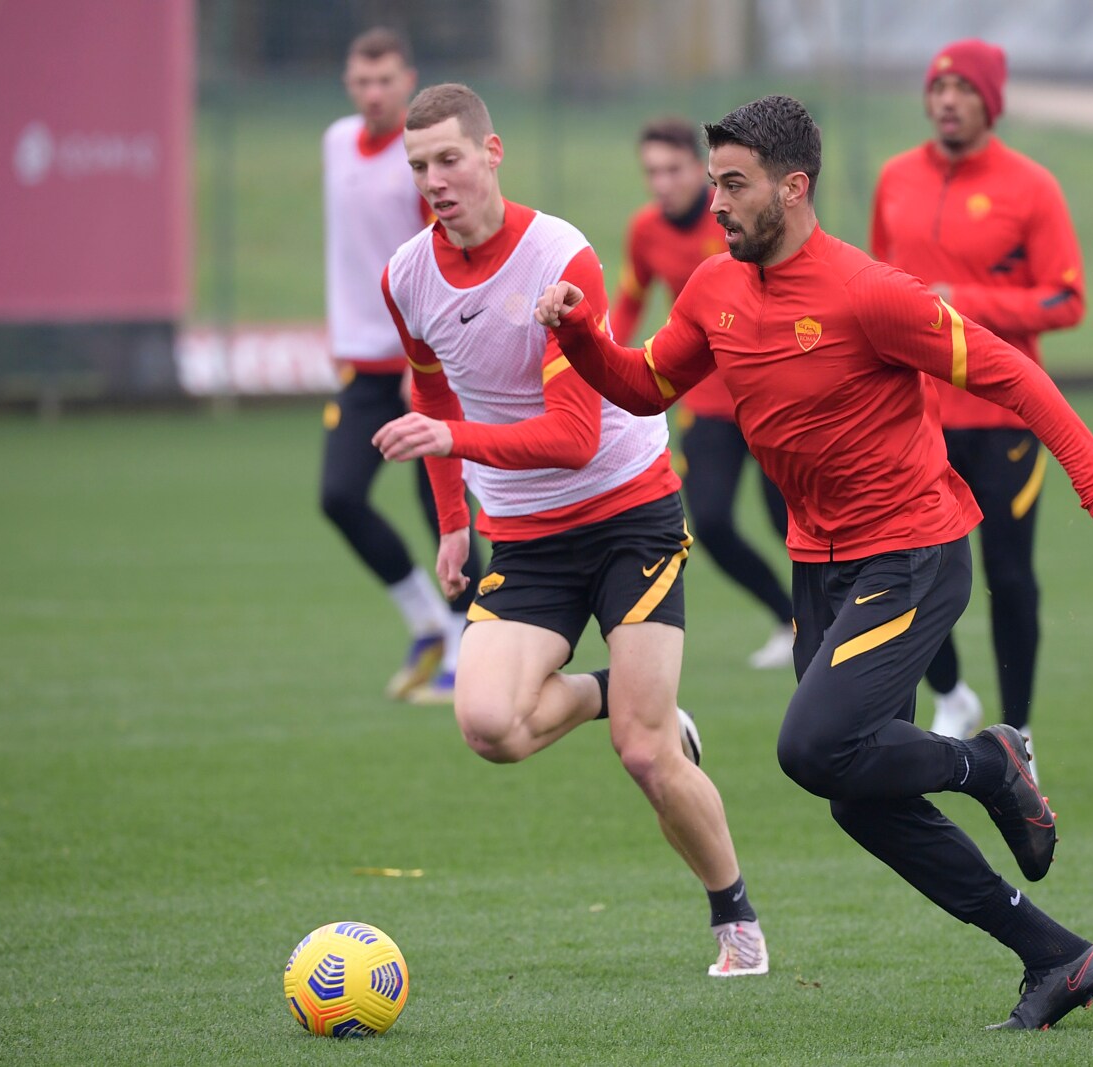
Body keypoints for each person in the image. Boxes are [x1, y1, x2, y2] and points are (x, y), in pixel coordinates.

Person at [537, 95, 1093, 1029]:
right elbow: (644, 384)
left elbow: (1013, 374)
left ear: (794, 188)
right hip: (819, 562)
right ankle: (1057, 956)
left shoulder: (869, 292)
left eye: (735, 185)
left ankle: (990, 762)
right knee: (857, 795)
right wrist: (582, 332)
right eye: (714, 183)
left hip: (912, 550)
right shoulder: (713, 289)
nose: (716, 203)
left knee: (811, 747)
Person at [371, 83, 768, 977]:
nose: (435, 180)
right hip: (526, 533)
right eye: (419, 166)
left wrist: (452, 441)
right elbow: (431, 388)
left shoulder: (559, 256)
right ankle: (609, 689)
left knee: (646, 752)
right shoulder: (406, 275)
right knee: (489, 727)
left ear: (492, 152)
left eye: (449, 159)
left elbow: (572, 437)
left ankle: (735, 918)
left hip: (629, 511)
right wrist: (452, 522)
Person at [871, 40, 1086, 778]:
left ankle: (1017, 731)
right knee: (916, 572)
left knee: (1008, 575)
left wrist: (965, 302)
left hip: (1002, 422)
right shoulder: (895, 178)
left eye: (964, 89)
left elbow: (1066, 300)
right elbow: (874, 288)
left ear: (990, 101)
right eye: (938, 88)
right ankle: (953, 694)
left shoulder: (1032, 187)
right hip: (916, 418)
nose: (947, 101)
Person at [317, 28, 480, 704]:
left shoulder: (421, 163)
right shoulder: (335, 142)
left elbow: (443, 246)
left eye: (385, 80)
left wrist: (436, 350)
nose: (373, 93)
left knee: (443, 505)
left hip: (425, 363)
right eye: (362, 81)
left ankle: (467, 644)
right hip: (362, 363)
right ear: (348, 84)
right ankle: (427, 622)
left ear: (407, 81)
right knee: (339, 496)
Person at [612, 118, 795, 670]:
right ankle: (788, 617)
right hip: (708, 403)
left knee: (790, 523)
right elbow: (629, 300)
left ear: (701, 169)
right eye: (652, 172)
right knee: (709, 522)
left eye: (673, 169)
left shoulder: (738, 219)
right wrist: (600, 363)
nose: (662, 183)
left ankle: (832, 621)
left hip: (770, 395)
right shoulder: (646, 229)